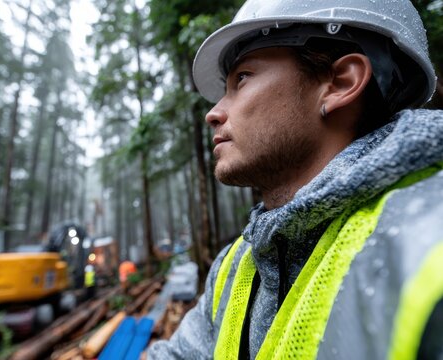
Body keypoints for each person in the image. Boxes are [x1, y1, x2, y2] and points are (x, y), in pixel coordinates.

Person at [147, 0, 443, 359]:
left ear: (340, 83)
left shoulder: (425, 245)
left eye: (242, 78)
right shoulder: (238, 263)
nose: (213, 113)